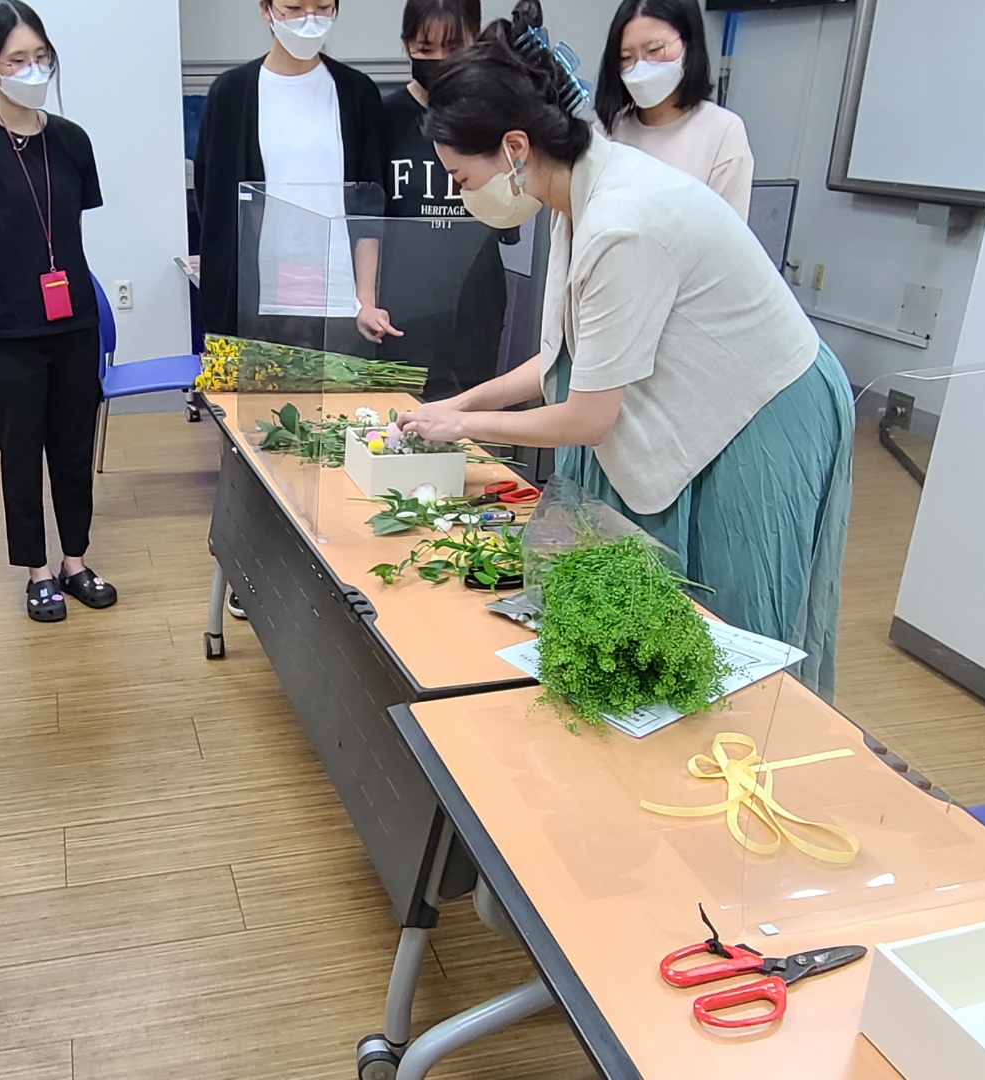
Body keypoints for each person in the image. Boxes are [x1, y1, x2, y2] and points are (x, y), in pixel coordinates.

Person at [403, 10, 853, 696]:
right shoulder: (572, 190)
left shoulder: (621, 220)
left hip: (764, 404)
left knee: (732, 616)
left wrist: (461, 426)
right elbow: (564, 359)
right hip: (717, 382)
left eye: (463, 179)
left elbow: (587, 417)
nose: (463, 197)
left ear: (515, 148)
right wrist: (457, 404)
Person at [0, 0, 117, 623]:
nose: (33, 69)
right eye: (17, 60)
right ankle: (36, 571)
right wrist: (11, 276)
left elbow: (67, 225)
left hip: (74, 324)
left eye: (41, 56)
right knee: (21, 451)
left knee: (73, 445)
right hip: (8, 329)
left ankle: (74, 561)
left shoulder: (71, 140)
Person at [193, 1, 389, 351]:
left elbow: (370, 208)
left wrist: (366, 300)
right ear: (266, 9)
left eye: (323, 7)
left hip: (339, 301)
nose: (309, 20)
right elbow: (215, 208)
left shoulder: (356, 93)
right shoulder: (230, 95)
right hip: (256, 303)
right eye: (294, 8)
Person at [378, 0, 532, 399]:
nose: (440, 60)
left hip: (475, 302)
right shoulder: (383, 117)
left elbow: (513, 211)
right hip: (401, 306)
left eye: (453, 47)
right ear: (406, 44)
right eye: (425, 48)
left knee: (471, 416)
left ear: (475, 42)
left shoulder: (494, 117)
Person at [595, 0, 754, 221]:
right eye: (626, 57)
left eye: (654, 50)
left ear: (689, 43)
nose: (640, 67)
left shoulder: (723, 132)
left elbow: (728, 236)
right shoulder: (605, 133)